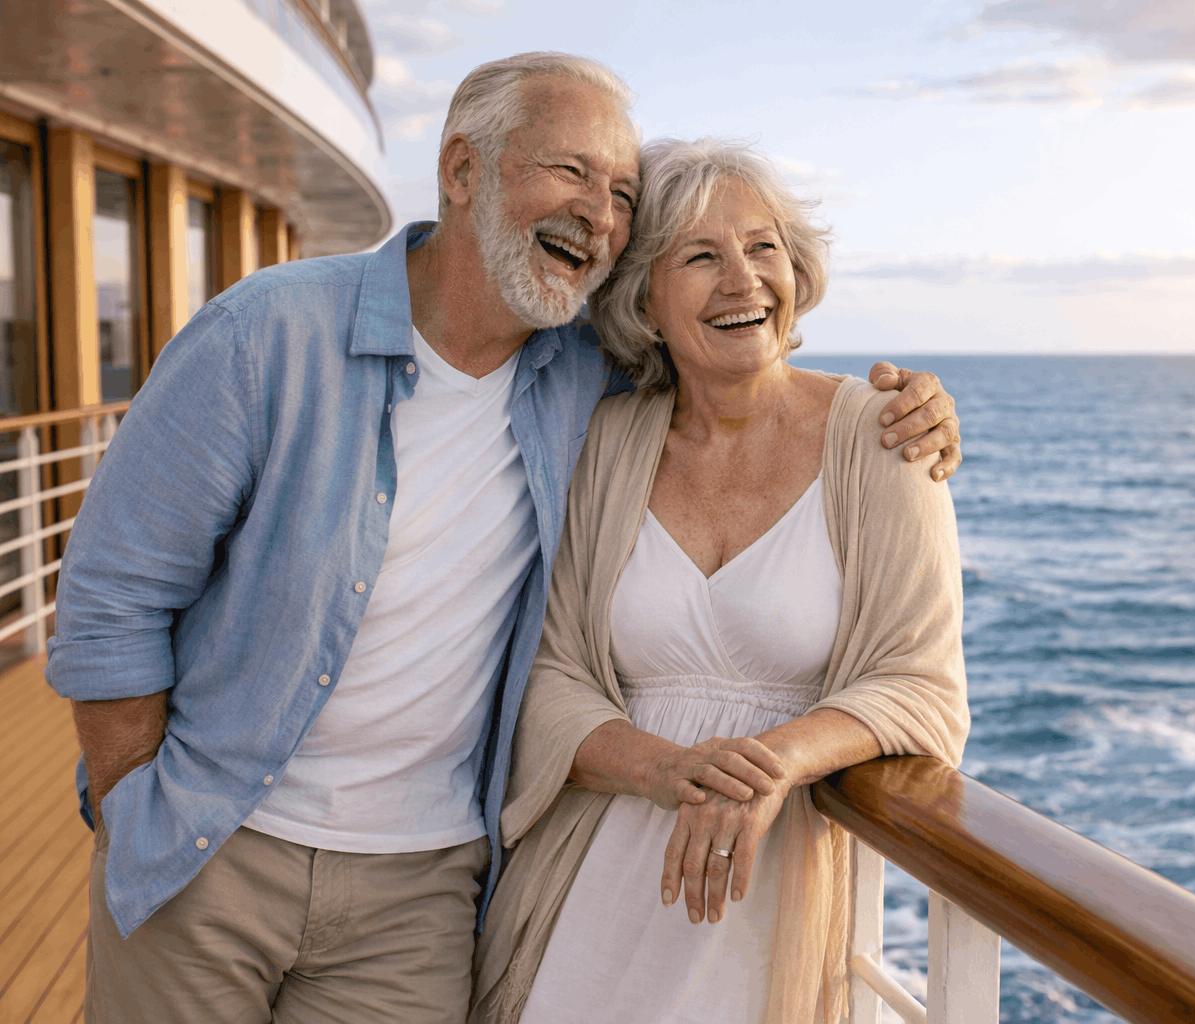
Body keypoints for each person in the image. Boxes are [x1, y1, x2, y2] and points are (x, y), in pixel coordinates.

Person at [45, 54, 962, 1024]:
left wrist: (923, 409)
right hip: (217, 846)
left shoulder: (582, 377)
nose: (597, 214)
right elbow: (111, 598)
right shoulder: (269, 336)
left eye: (619, 194)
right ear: (460, 170)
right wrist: (141, 811)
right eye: (570, 171)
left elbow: (736, 363)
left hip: (422, 886)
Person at [470, 137, 970, 1024]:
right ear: (645, 300)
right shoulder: (607, 442)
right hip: (596, 890)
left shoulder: (886, 437)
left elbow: (923, 688)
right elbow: (547, 675)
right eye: (701, 257)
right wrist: (666, 770)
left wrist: (773, 763)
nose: (744, 280)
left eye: (763, 246)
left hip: (770, 896)